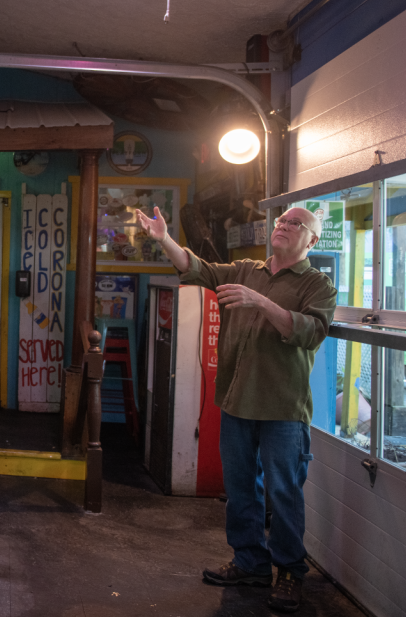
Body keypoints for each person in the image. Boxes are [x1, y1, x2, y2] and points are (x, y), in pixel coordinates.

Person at [134, 205, 337, 613]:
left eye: (295, 223)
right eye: (280, 220)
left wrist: (259, 301)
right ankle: (250, 562)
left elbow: (311, 333)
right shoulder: (247, 269)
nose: (282, 226)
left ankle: (289, 573)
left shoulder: (318, 284)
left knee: (283, 493)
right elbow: (199, 269)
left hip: (282, 407)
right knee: (242, 489)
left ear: (312, 240)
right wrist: (164, 239)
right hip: (236, 400)